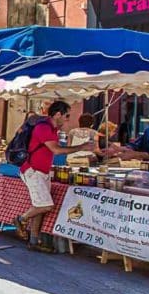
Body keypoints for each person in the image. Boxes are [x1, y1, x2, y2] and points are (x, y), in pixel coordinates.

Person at [15, 102, 97, 247]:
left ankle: (34, 240)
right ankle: (21, 219)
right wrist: (81, 147)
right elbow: (57, 150)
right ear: (58, 114)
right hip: (33, 170)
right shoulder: (43, 127)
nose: (68, 119)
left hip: (42, 171)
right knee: (46, 206)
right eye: (67, 115)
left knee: (39, 206)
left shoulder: (52, 129)